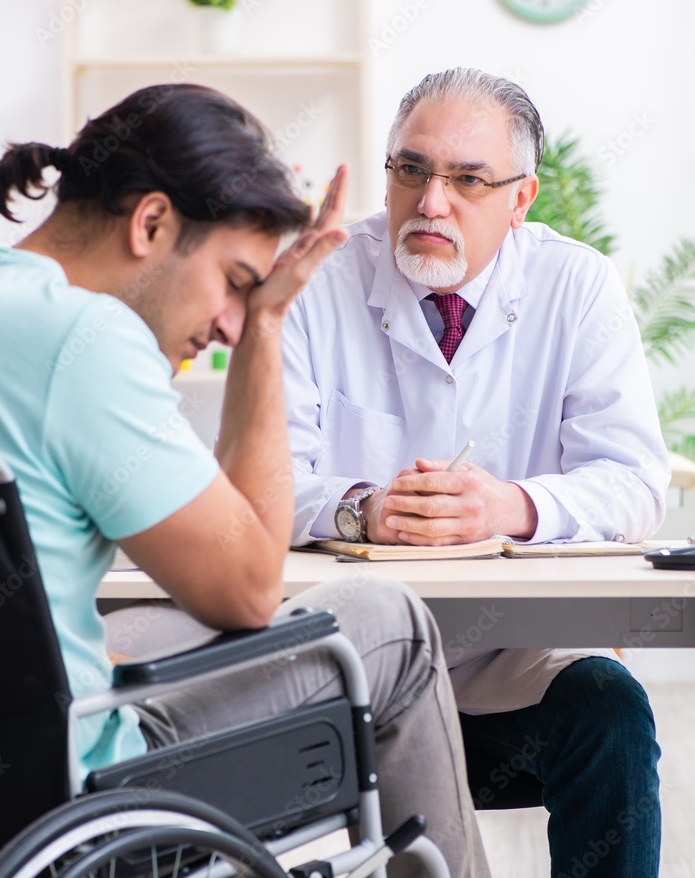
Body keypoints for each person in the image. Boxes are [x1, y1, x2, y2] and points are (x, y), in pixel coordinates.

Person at [0, 84, 488, 876]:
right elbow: (244, 592)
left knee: (146, 622)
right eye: (237, 281)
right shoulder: (84, 340)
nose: (229, 323)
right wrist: (269, 330)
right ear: (151, 223)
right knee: (392, 622)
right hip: (60, 811)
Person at [282, 67, 668, 878]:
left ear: (521, 198)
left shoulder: (577, 285)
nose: (431, 203)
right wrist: (360, 510)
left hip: (515, 661)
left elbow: (636, 482)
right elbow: (261, 485)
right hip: (356, 659)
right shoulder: (317, 278)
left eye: (466, 180)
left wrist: (512, 506)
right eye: (412, 171)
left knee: (611, 710)